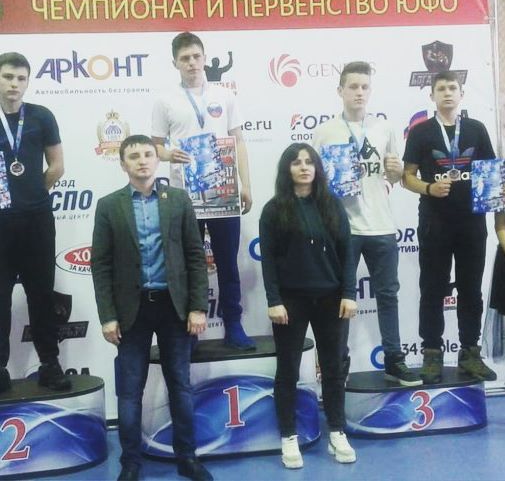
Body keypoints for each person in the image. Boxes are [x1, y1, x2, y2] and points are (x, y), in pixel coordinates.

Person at [91, 135, 212, 481]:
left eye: (148, 154)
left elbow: (195, 255)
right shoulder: (108, 206)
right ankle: (130, 463)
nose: (142, 160)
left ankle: (187, 458)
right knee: (130, 392)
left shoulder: (178, 200)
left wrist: (198, 307)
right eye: (134, 156)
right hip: (132, 312)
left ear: (157, 160)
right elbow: (101, 265)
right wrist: (108, 316)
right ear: (123, 164)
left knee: (181, 386)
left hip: (175, 309)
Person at [312, 61, 421, 386]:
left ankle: (394, 361)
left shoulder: (383, 128)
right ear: (340, 91)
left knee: (387, 296)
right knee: (340, 299)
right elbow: (313, 178)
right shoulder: (326, 131)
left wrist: (393, 175)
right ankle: (337, 366)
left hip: (381, 226)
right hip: (343, 228)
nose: (359, 93)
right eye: (353, 87)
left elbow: (394, 175)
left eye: (364, 87)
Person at [152, 32, 255, 350]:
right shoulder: (165, 101)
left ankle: (234, 324)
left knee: (227, 262)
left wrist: (246, 185)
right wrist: (169, 154)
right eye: (185, 58)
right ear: (175, 63)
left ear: (205, 58)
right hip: (185, 196)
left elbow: (238, 141)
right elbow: (156, 147)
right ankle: (190, 329)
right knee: (188, 264)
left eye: (196, 56)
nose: (192, 63)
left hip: (224, 191)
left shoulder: (225, 95)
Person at [259, 142, 357, 469]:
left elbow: (347, 252)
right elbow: (268, 261)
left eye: (309, 162)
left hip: (331, 299)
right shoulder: (274, 210)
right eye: (296, 162)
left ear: (317, 168)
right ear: (287, 169)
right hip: (291, 302)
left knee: (333, 368)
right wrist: (274, 300)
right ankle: (288, 436)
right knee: (288, 369)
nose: (304, 167)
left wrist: (349, 293)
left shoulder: (332, 205)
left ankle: (337, 432)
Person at [403, 71, 497, 384]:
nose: (447, 93)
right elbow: (407, 177)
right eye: (441, 88)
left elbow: (490, 173)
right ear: (431, 95)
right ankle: (431, 354)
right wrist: (429, 188)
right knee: (432, 288)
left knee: (471, 289)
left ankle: (470, 353)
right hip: (435, 222)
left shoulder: (476, 129)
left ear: (461, 94)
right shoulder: (421, 131)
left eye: (452, 88)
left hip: (472, 222)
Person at [0, 52, 69, 392]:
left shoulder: (41, 116)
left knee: (41, 295)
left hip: (37, 221)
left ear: (27, 82)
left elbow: (57, 165)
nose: (14, 84)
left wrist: (32, 193)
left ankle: (50, 364)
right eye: (7, 77)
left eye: (20, 78)